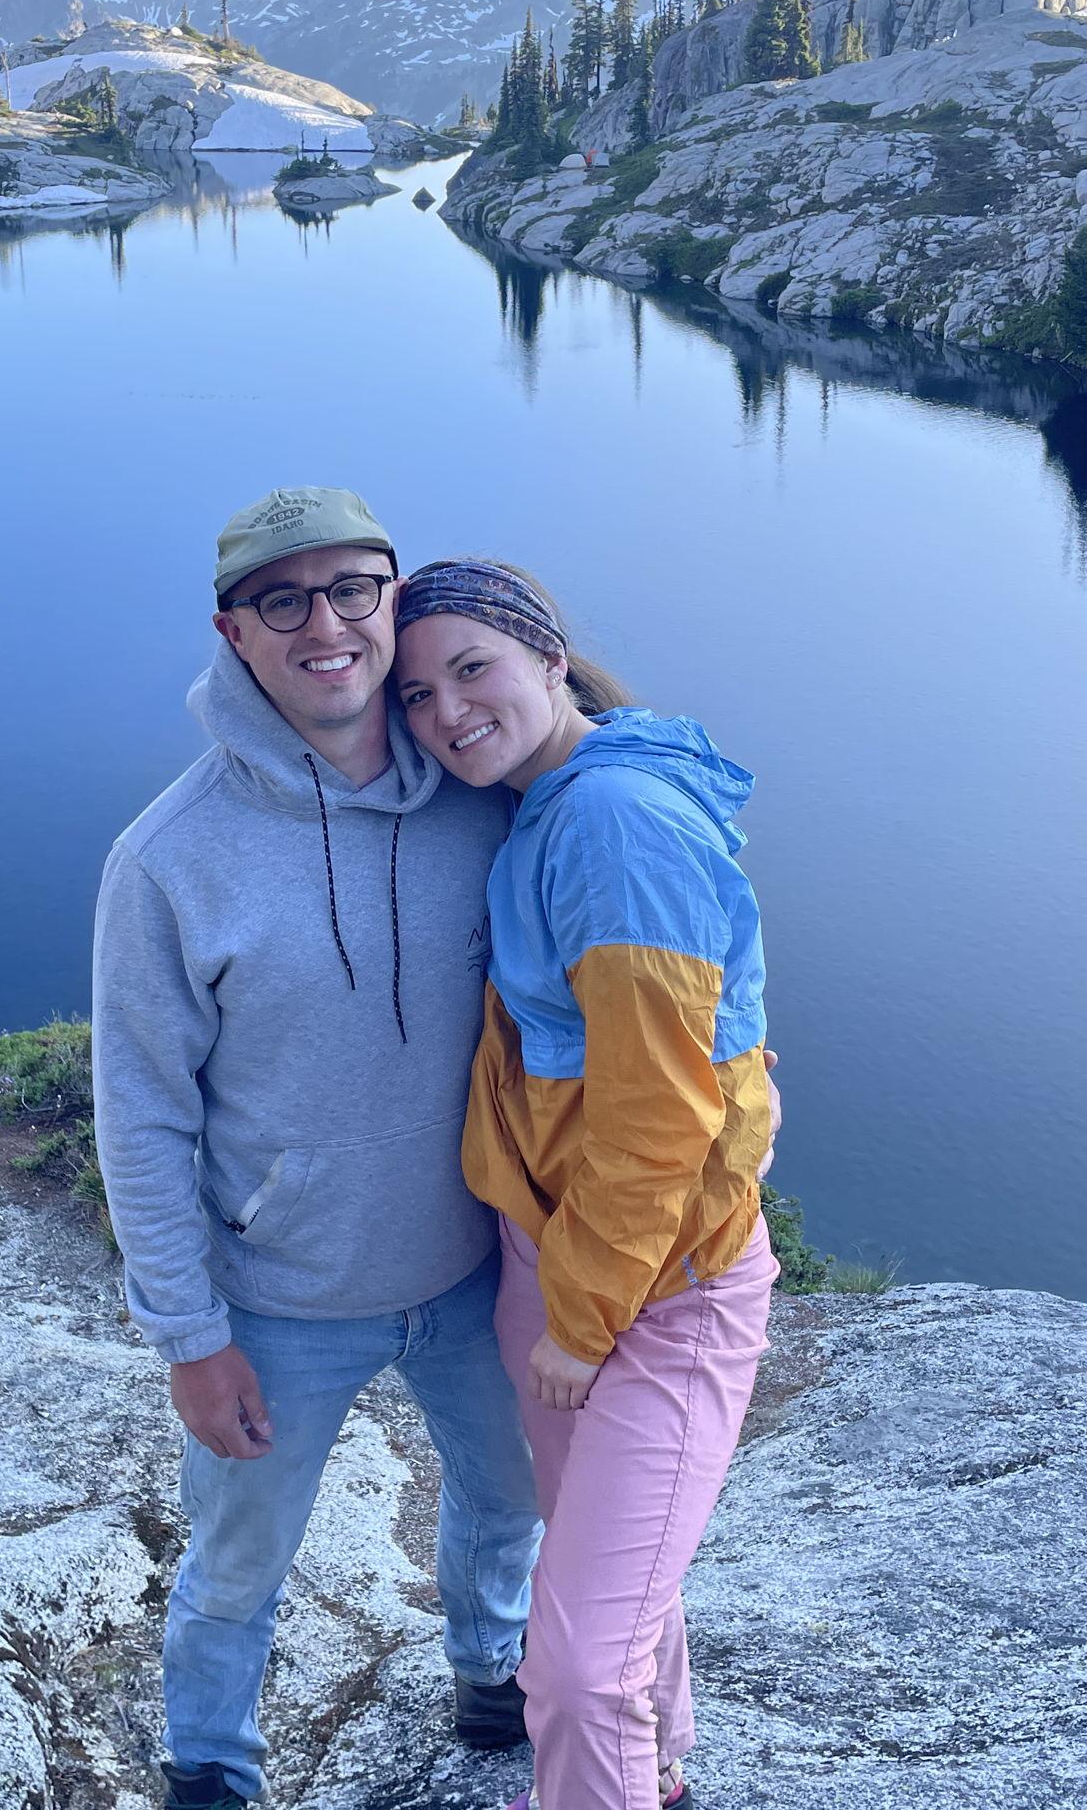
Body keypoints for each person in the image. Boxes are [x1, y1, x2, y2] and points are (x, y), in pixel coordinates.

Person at [91, 490, 542, 1809]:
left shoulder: (479, 798)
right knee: (237, 1563)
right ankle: (215, 1768)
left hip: (470, 1271)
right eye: (283, 600)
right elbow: (145, 1115)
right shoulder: (168, 860)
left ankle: (493, 1671)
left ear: (394, 597)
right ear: (235, 633)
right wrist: (188, 1335)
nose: (327, 624)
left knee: (508, 1504)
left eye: (354, 587)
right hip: (278, 1304)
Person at [394, 559, 779, 1810]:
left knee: (572, 1665)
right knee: (612, 1594)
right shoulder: (551, 792)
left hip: (651, 1289)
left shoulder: (613, 821)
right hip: (553, 1257)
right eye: (414, 694)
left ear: (548, 657)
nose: (447, 712)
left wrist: (582, 1312)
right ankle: (645, 1783)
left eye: (470, 669)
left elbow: (660, 1111)